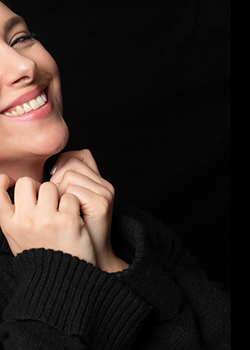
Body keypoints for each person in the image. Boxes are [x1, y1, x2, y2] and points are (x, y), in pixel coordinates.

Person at [0, 1, 231, 349]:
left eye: (19, 39)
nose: (25, 65)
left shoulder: (130, 229)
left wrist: (111, 265)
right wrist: (61, 274)